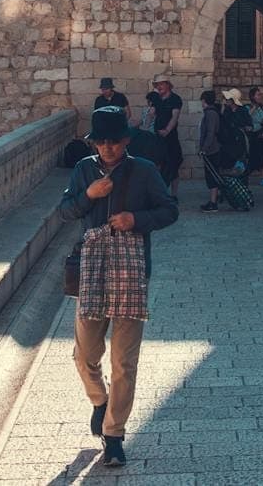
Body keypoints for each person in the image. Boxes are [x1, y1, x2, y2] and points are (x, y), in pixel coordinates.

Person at [58, 106, 178, 468]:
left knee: (124, 362)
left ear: (126, 140)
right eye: (102, 142)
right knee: (83, 355)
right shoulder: (83, 170)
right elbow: (66, 211)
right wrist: (89, 195)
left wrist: (136, 220)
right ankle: (100, 400)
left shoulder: (144, 170)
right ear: (95, 143)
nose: (108, 148)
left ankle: (114, 436)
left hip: (131, 272)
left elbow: (170, 210)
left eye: (114, 141)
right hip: (92, 272)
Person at [146, 76, 183, 195]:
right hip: (158, 138)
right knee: (158, 165)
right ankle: (160, 193)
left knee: (174, 165)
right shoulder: (157, 99)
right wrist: (146, 128)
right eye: (157, 85)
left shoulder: (175, 99)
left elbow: (175, 117)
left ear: (167, 85)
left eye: (161, 84)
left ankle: (174, 194)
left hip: (171, 138)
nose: (158, 87)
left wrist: (167, 130)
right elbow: (151, 115)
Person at [197, 90, 223, 213]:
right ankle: (213, 200)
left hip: (212, 150)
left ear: (204, 100)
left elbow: (210, 132)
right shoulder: (211, 113)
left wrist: (204, 149)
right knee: (211, 175)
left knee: (212, 176)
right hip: (212, 148)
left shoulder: (211, 114)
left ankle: (213, 203)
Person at [245, 87, 263, 186]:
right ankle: (246, 175)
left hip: (260, 134)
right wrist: (254, 108)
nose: (259, 97)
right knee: (251, 156)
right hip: (252, 135)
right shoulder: (248, 107)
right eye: (258, 95)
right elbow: (247, 117)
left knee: (261, 155)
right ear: (252, 96)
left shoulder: (261, 107)